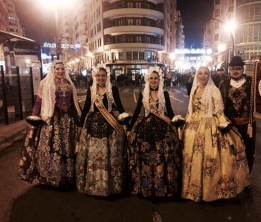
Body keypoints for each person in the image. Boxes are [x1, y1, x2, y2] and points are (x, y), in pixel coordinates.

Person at [181, 66, 250, 203]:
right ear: (196, 75)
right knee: (192, 156)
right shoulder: (195, 89)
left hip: (210, 124)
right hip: (194, 125)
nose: (202, 76)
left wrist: (223, 124)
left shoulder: (214, 90)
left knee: (212, 156)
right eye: (200, 73)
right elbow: (191, 110)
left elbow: (219, 111)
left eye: (206, 73)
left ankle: (210, 190)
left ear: (209, 75)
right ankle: (194, 188)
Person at [18, 60, 82, 188]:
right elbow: (38, 102)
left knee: (69, 147)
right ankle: (52, 176)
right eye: (57, 69)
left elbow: (74, 102)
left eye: (62, 69)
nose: (60, 71)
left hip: (69, 120)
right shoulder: (45, 83)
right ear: (53, 70)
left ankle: (69, 175)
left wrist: (80, 120)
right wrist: (34, 117)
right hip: (52, 118)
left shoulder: (69, 83)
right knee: (53, 146)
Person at [127, 66, 182, 198]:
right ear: (147, 79)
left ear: (159, 80)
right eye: (151, 78)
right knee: (145, 158)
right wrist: (129, 127)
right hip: (145, 128)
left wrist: (176, 122)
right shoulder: (143, 94)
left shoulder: (165, 94)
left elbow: (169, 110)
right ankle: (145, 186)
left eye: (155, 78)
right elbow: (136, 112)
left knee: (162, 157)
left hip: (162, 127)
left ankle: (162, 185)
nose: (153, 81)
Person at [76, 66, 128, 196]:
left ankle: (112, 185)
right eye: (98, 76)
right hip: (93, 125)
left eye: (103, 75)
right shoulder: (91, 90)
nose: (100, 78)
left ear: (107, 76)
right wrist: (80, 124)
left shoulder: (113, 89)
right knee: (93, 154)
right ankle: (93, 184)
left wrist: (127, 122)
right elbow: (87, 106)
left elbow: (120, 106)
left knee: (112, 153)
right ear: (95, 77)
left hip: (111, 125)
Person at [219, 56, 256, 173]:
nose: (235, 71)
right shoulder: (224, 84)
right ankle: (234, 177)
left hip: (248, 124)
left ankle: (247, 176)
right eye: (233, 69)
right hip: (231, 126)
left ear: (243, 70)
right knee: (231, 151)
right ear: (229, 70)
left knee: (249, 151)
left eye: (238, 68)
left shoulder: (251, 82)